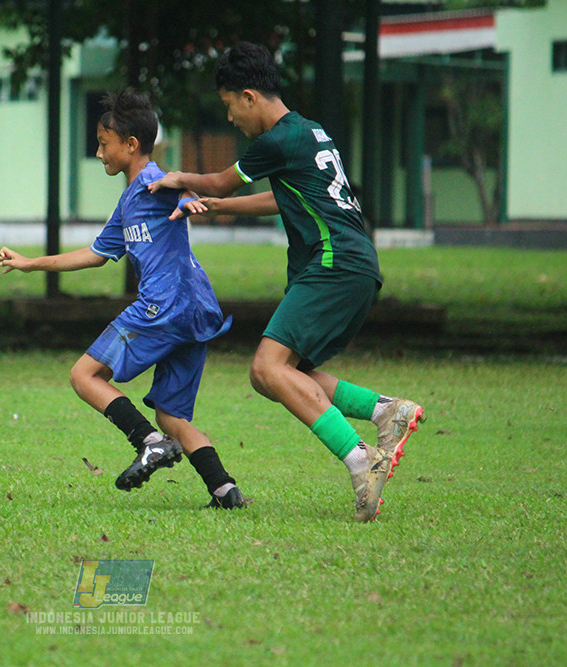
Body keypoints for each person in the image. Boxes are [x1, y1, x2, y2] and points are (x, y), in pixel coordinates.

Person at [149, 42, 424, 522]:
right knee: (275, 374)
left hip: (333, 265)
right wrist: (217, 209)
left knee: (269, 368)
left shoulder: (275, 141)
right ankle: (386, 411)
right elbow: (283, 200)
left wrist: (178, 177)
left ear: (250, 97)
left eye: (230, 106)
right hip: (353, 266)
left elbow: (218, 181)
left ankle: (362, 460)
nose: (231, 118)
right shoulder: (309, 132)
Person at [0, 89, 245, 509]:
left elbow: (176, 190)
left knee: (84, 376)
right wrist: (30, 263)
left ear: (130, 145)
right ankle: (225, 492)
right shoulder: (128, 202)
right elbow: (94, 255)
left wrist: (189, 199)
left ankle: (148, 442)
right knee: (172, 415)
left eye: (103, 143)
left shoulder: (149, 181)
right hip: (198, 308)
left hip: (166, 303)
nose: (97, 153)